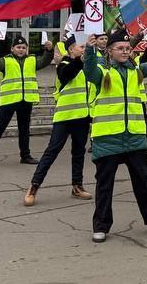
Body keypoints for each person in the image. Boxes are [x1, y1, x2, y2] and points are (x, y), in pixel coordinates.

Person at [83, 24, 147, 243]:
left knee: (144, 182)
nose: (126, 51)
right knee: (104, 186)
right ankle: (101, 226)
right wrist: (88, 50)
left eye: (128, 48)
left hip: (134, 138)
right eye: (120, 48)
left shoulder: (137, 71)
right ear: (110, 51)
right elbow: (89, 71)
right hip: (108, 139)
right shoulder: (103, 73)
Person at [23, 33, 94, 206]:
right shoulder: (64, 63)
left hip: (82, 117)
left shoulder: (86, 66)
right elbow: (66, 75)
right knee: (52, 151)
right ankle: (34, 186)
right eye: (81, 47)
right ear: (71, 50)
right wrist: (80, 60)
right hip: (64, 117)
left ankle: (77, 186)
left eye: (85, 47)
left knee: (78, 153)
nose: (83, 50)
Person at [0, 34, 53, 168]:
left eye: (24, 47)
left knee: (24, 130)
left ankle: (25, 155)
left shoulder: (32, 60)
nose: (21, 50)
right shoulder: (6, 61)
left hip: (26, 100)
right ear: (12, 49)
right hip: (9, 101)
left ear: (27, 49)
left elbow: (45, 61)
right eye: (18, 47)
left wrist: (48, 51)